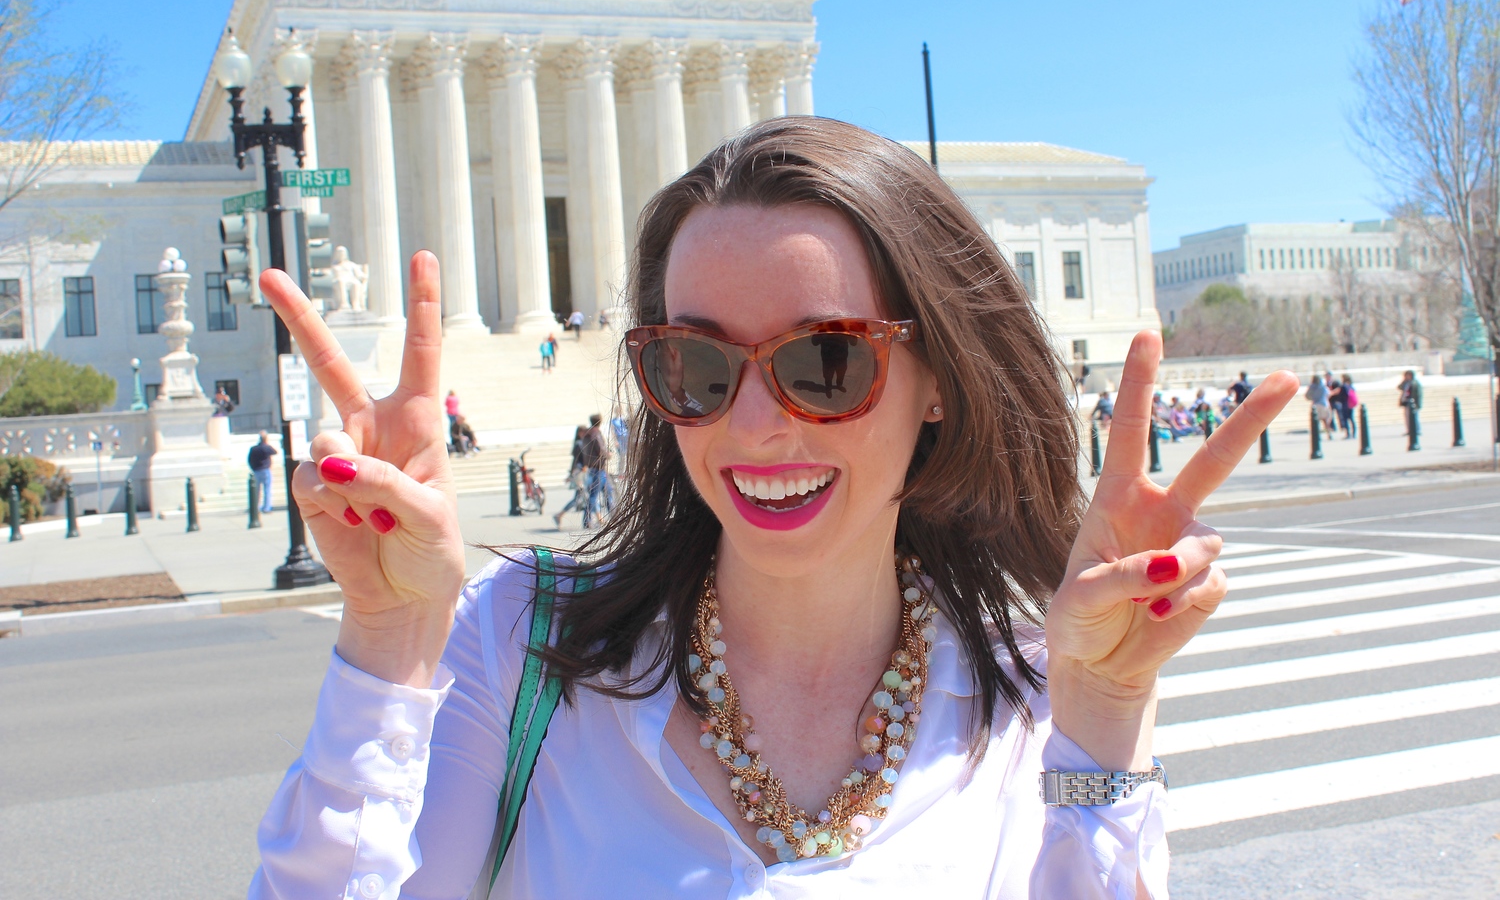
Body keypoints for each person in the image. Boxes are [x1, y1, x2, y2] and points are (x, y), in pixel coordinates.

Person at [249, 117, 1297, 898]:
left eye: (825, 360)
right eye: (697, 365)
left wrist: (1104, 730)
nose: (753, 426)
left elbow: (1081, 823)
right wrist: (389, 645)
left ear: (939, 381)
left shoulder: (1041, 691)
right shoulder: (523, 639)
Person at [552, 426, 590, 529]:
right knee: (580, 498)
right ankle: (560, 515)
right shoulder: (579, 444)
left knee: (582, 498)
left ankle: (591, 520)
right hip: (580, 474)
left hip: (582, 473)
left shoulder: (583, 443)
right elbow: (576, 461)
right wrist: (572, 474)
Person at [246, 432, 277, 514]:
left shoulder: (254, 449)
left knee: (256, 490)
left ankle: (256, 507)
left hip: (256, 471)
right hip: (265, 470)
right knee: (267, 490)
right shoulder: (266, 448)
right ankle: (266, 508)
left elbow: (249, 459)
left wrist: (253, 468)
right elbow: (274, 451)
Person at [1305, 373, 1333, 439]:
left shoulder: (1311, 387)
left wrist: (1313, 397)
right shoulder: (1322, 386)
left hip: (1315, 404)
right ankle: (1329, 434)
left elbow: (1307, 396)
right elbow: (1328, 393)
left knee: (1316, 421)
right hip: (1323, 404)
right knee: (1325, 420)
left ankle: (1317, 435)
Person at [1400, 369, 1423, 444]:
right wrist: (1404, 381)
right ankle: (1410, 430)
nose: (1407, 376)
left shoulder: (1415, 383)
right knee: (1407, 417)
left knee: (1415, 417)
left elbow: (1418, 395)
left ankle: (1417, 430)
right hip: (1407, 403)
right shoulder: (1406, 383)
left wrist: (1417, 404)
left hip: (1413, 403)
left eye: (1408, 375)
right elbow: (1399, 387)